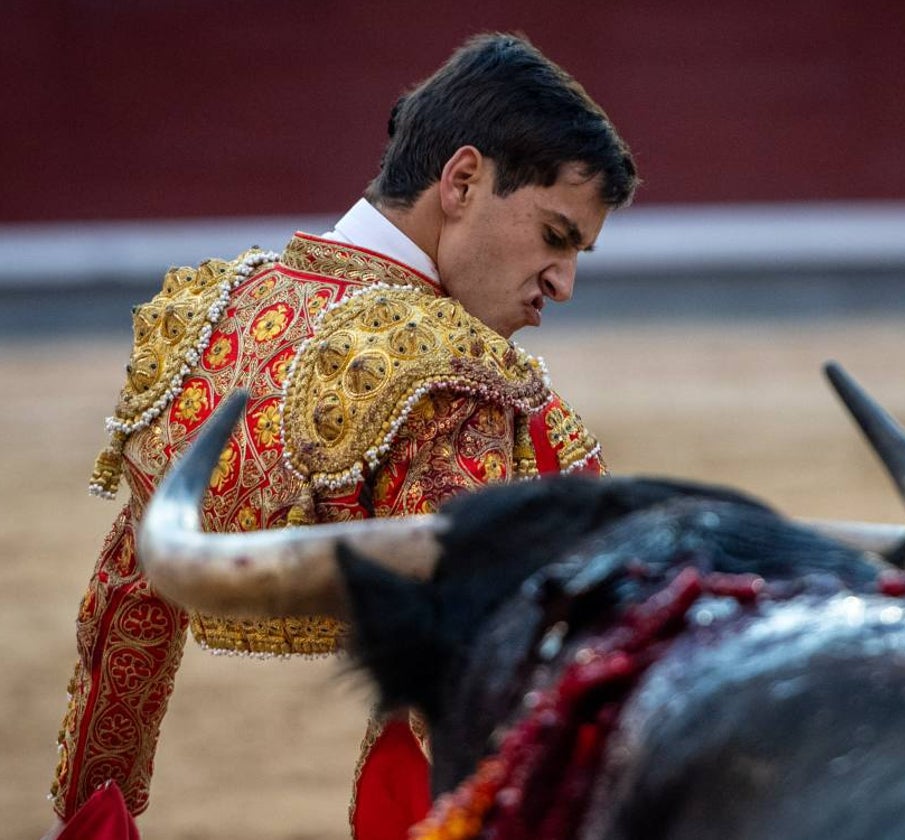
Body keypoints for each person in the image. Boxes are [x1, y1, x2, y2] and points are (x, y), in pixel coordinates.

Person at [46, 32, 637, 839]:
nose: (563, 285)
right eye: (557, 237)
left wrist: (90, 816)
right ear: (462, 181)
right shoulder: (469, 382)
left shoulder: (205, 316)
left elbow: (128, 599)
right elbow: (481, 672)